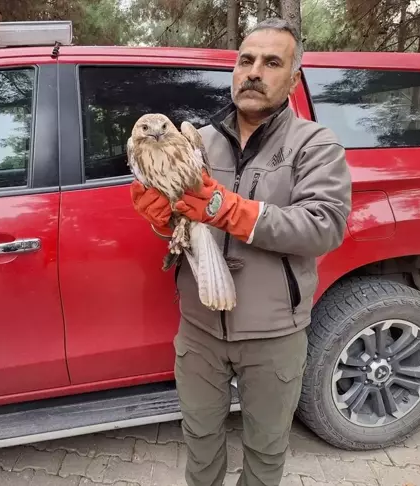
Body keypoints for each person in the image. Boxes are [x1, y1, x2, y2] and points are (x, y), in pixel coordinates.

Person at [129, 18, 353, 486]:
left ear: (292, 80)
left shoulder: (315, 145)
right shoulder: (198, 139)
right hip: (199, 331)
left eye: (272, 63)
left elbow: (324, 226)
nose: (254, 71)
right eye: (245, 60)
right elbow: (184, 222)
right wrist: (162, 219)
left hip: (272, 335)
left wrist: (230, 210)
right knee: (200, 445)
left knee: (266, 452)